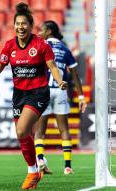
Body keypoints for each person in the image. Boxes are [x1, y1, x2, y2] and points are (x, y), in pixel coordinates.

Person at [0, 3, 67, 190]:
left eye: (24, 23)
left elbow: (53, 67)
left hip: (38, 93)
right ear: (14, 25)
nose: (20, 27)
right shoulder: (9, 46)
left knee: (22, 130)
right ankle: (34, 170)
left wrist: (59, 81)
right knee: (22, 135)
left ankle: (32, 172)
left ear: (31, 26)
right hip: (19, 95)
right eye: (17, 24)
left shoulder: (41, 44)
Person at [34, 20, 87, 175]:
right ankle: (67, 166)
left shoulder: (41, 46)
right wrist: (81, 96)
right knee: (64, 129)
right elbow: (75, 75)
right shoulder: (65, 49)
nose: (39, 33)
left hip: (43, 91)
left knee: (39, 130)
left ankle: (40, 158)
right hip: (60, 90)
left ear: (49, 31)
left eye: (41, 30)